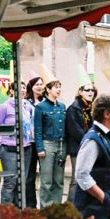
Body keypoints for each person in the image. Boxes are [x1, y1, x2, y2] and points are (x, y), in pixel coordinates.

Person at [72, 94, 110, 219]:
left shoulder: (105, 135)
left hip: (106, 206)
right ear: (107, 114)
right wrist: (103, 198)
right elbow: (82, 175)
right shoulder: (93, 140)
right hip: (94, 209)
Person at [0, 82, 34, 206]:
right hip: (9, 149)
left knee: (22, 181)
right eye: (19, 88)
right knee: (10, 181)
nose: (22, 90)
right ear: (11, 91)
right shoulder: (4, 107)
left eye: (24, 88)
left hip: (26, 148)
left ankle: (19, 212)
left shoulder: (27, 106)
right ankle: (5, 213)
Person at [33, 72, 67, 207]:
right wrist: (40, 148)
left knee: (59, 180)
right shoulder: (40, 107)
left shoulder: (62, 106)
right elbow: (38, 129)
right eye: (56, 87)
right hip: (47, 145)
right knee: (47, 181)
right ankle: (46, 209)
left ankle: (57, 209)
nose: (58, 90)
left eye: (60, 87)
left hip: (61, 145)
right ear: (48, 89)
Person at [65, 79, 96, 198]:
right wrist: (90, 139)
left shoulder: (89, 108)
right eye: (87, 90)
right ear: (80, 92)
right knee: (77, 179)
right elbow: (75, 131)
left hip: (88, 147)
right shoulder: (73, 108)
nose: (90, 92)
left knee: (87, 179)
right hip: (78, 149)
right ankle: (71, 209)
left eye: (92, 90)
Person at [24, 76, 45, 208]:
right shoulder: (26, 102)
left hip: (43, 142)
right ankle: (30, 205)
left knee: (45, 175)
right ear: (31, 86)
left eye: (41, 84)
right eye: (37, 84)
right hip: (30, 143)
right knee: (29, 176)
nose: (39, 86)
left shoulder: (45, 102)